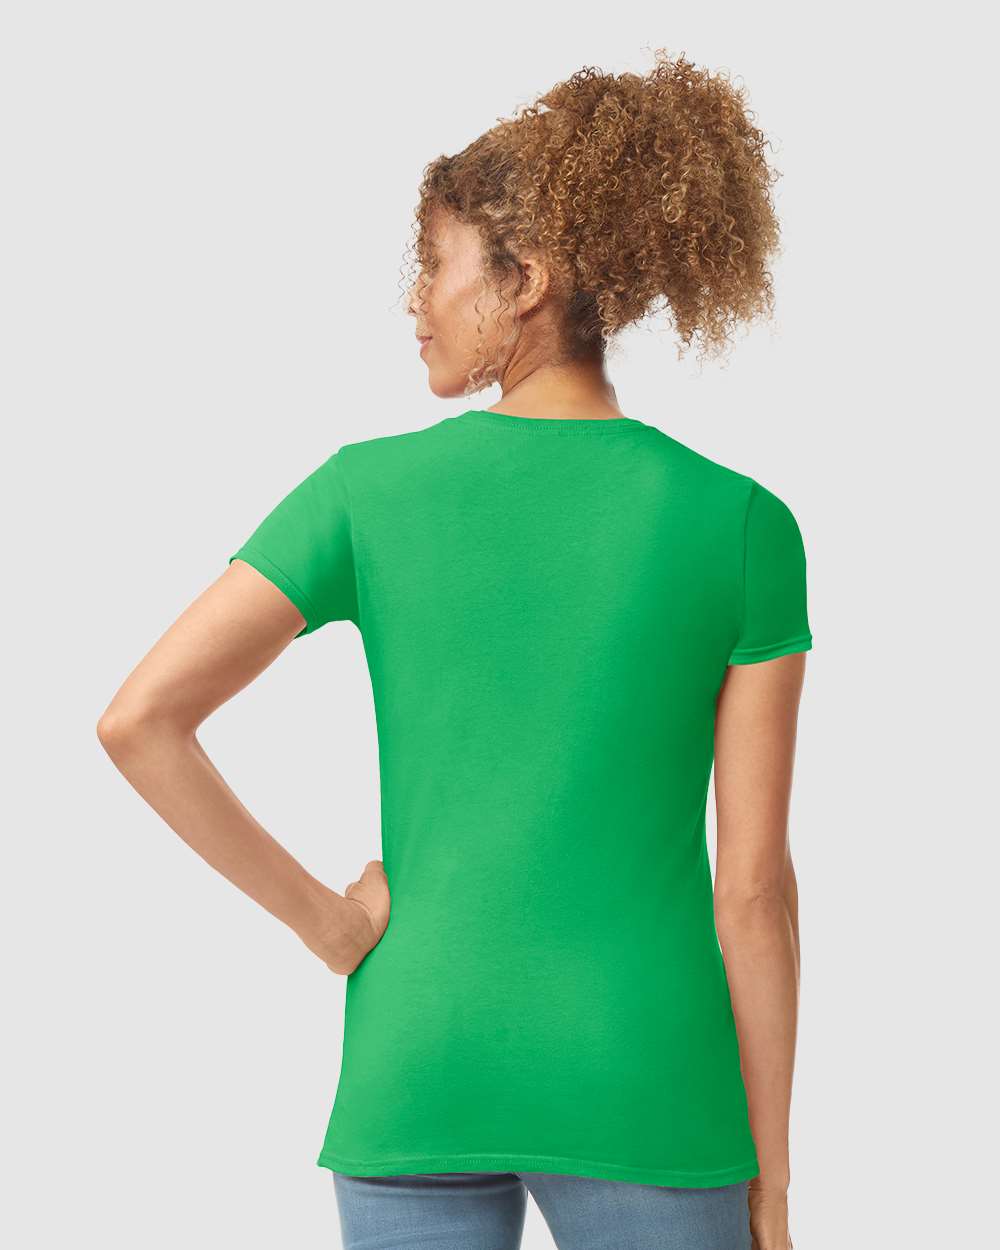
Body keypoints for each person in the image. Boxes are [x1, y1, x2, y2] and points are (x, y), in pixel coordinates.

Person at [98, 52, 810, 1250]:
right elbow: (751, 890)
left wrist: (330, 925)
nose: (415, 300)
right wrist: (772, 1178)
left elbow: (139, 720)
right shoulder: (739, 524)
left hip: (417, 1059)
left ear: (524, 280)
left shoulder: (362, 492)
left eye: (434, 263)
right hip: (642, 1076)